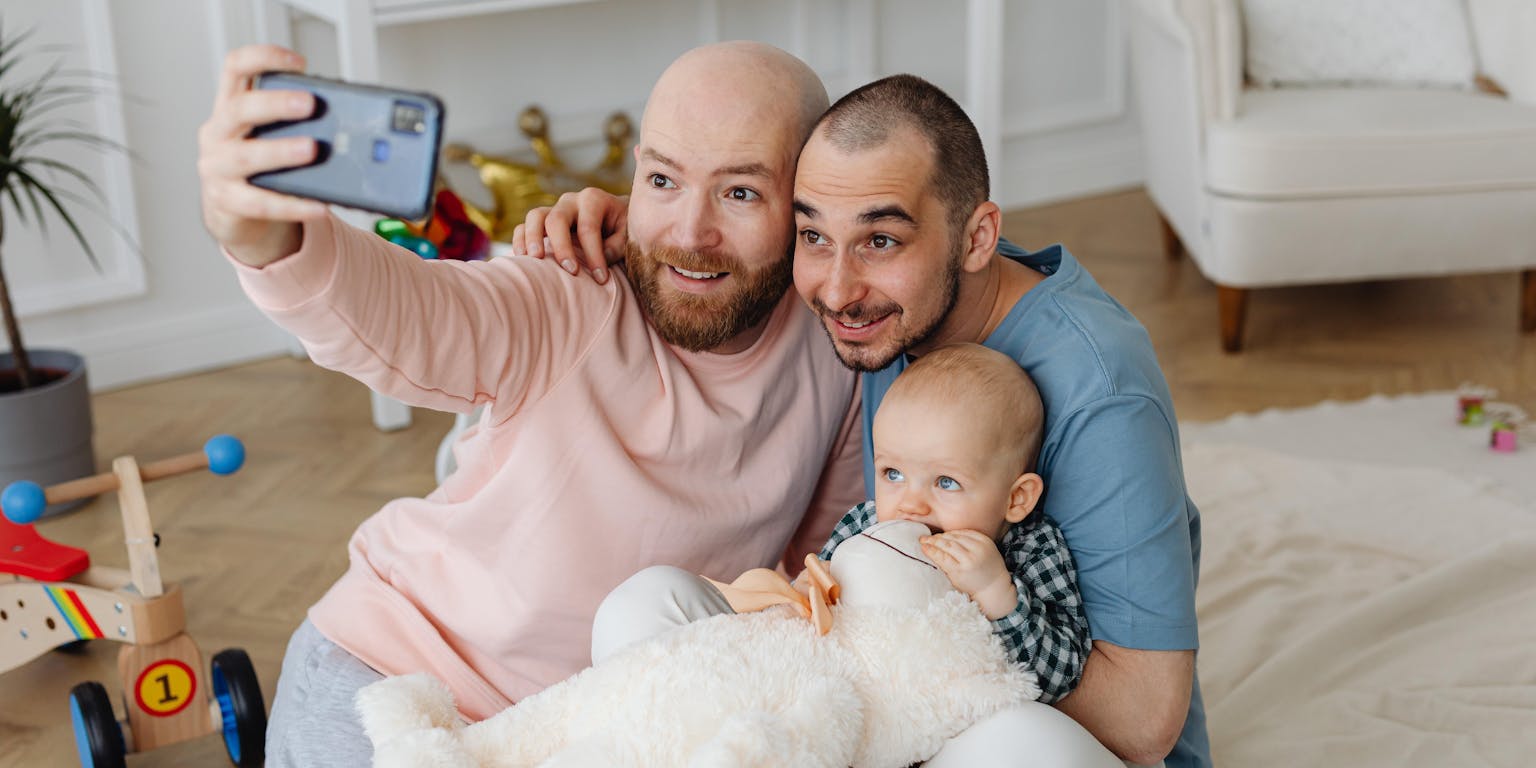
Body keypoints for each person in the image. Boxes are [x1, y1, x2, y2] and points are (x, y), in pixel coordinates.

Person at [197, 42, 866, 766]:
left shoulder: (840, 353)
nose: (687, 233)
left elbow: (813, 580)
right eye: (663, 180)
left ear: (807, 206)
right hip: (393, 674)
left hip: (591, 724)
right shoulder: (574, 292)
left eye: (740, 193)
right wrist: (267, 235)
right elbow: (405, 316)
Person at [518, 74, 1208, 768]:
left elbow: (1142, 723)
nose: (838, 290)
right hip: (871, 691)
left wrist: (940, 641)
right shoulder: (890, 301)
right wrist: (649, 227)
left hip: (1030, 726)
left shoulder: (1102, 390)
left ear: (978, 238)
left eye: (880, 241)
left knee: (1023, 751)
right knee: (649, 608)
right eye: (813, 234)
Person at [598, 342, 1093, 710]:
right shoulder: (868, 522)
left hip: (927, 720)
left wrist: (995, 591)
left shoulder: (1031, 550)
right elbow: (819, 599)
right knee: (652, 598)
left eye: (946, 481)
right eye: (892, 474)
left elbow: (1059, 675)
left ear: (1016, 497)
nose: (911, 504)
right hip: (828, 694)